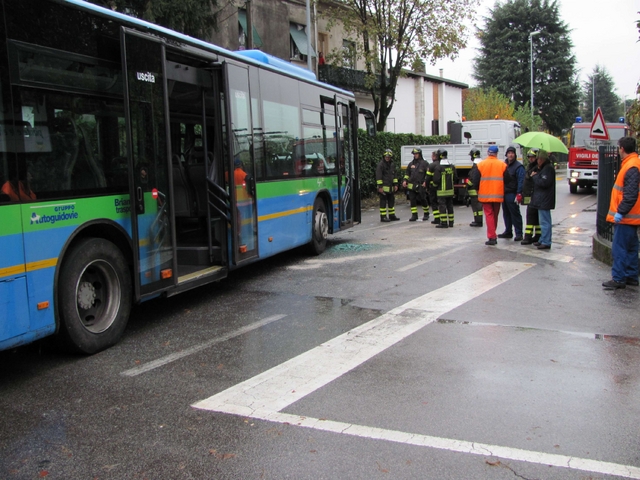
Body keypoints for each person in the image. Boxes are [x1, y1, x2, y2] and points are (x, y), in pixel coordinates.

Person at [602, 136, 640, 289]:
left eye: (618, 148)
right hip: (632, 218)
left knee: (620, 249)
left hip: (625, 218)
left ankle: (618, 278)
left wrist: (620, 212)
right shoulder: (634, 163)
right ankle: (631, 276)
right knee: (631, 248)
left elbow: (630, 195)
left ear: (622, 149)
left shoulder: (631, 166)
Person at [477, 145, 507, 245]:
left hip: (485, 195)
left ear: (488, 153)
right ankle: (493, 233)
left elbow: (476, 180)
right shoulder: (502, 165)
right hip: (498, 194)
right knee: (495, 215)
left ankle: (492, 237)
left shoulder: (481, 165)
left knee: (489, 215)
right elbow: (508, 180)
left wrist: (478, 190)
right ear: (497, 153)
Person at [529, 149, 556, 250]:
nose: (537, 161)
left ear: (542, 159)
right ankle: (542, 239)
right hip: (541, 199)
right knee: (542, 221)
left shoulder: (548, 169)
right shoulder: (543, 168)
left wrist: (535, 177)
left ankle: (546, 241)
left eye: (539, 159)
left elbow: (544, 183)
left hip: (545, 199)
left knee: (545, 222)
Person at [498, 146, 525, 241]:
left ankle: (519, 233)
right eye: (509, 153)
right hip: (504, 192)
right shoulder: (504, 165)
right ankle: (508, 231)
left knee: (515, 213)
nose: (510, 154)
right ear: (506, 154)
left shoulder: (518, 166)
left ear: (515, 154)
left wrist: (519, 193)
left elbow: (521, 180)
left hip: (512, 193)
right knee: (506, 213)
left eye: (512, 153)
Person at [520, 149, 541, 245]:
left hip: (534, 195)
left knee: (531, 216)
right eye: (529, 157)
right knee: (533, 216)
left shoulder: (537, 168)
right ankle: (537, 236)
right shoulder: (530, 166)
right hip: (529, 194)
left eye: (532, 157)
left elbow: (531, 179)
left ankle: (528, 237)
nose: (530, 159)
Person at [403, 148, 429, 221]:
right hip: (412, 185)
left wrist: (425, 181)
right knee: (412, 200)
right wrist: (405, 180)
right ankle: (414, 215)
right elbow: (407, 173)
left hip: (421, 185)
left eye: (416, 154)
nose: (415, 155)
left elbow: (428, 174)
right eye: (414, 154)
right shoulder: (411, 164)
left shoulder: (425, 163)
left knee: (423, 199)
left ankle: (426, 213)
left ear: (420, 154)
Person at [432, 149, 457, 228]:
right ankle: (451, 222)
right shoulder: (452, 167)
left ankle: (443, 223)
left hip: (441, 192)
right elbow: (455, 178)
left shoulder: (438, 167)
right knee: (450, 206)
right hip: (450, 191)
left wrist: (434, 187)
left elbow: (436, 180)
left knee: (442, 207)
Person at [376, 148, 400, 222]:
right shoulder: (381, 165)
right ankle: (383, 217)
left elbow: (394, 175)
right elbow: (379, 176)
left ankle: (392, 215)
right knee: (383, 203)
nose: (387, 158)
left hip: (391, 187)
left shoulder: (392, 165)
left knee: (391, 202)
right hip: (383, 188)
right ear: (384, 156)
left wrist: (396, 184)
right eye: (386, 157)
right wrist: (380, 187)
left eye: (389, 157)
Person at [466, 148, 483, 227]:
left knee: (476, 207)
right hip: (479, 189)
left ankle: (478, 221)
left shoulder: (476, 166)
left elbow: (472, 179)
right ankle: (478, 220)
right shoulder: (481, 164)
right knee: (478, 207)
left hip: (474, 190)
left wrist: (467, 185)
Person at [427, 151, 441, 225]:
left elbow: (428, 178)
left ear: (434, 157)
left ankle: (437, 218)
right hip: (441, 187)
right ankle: (443, 218)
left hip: (433, 188)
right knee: (442, 203)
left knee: (434, 202)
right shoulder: (442, 165)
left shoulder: (431, 165)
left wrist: (426, 186)